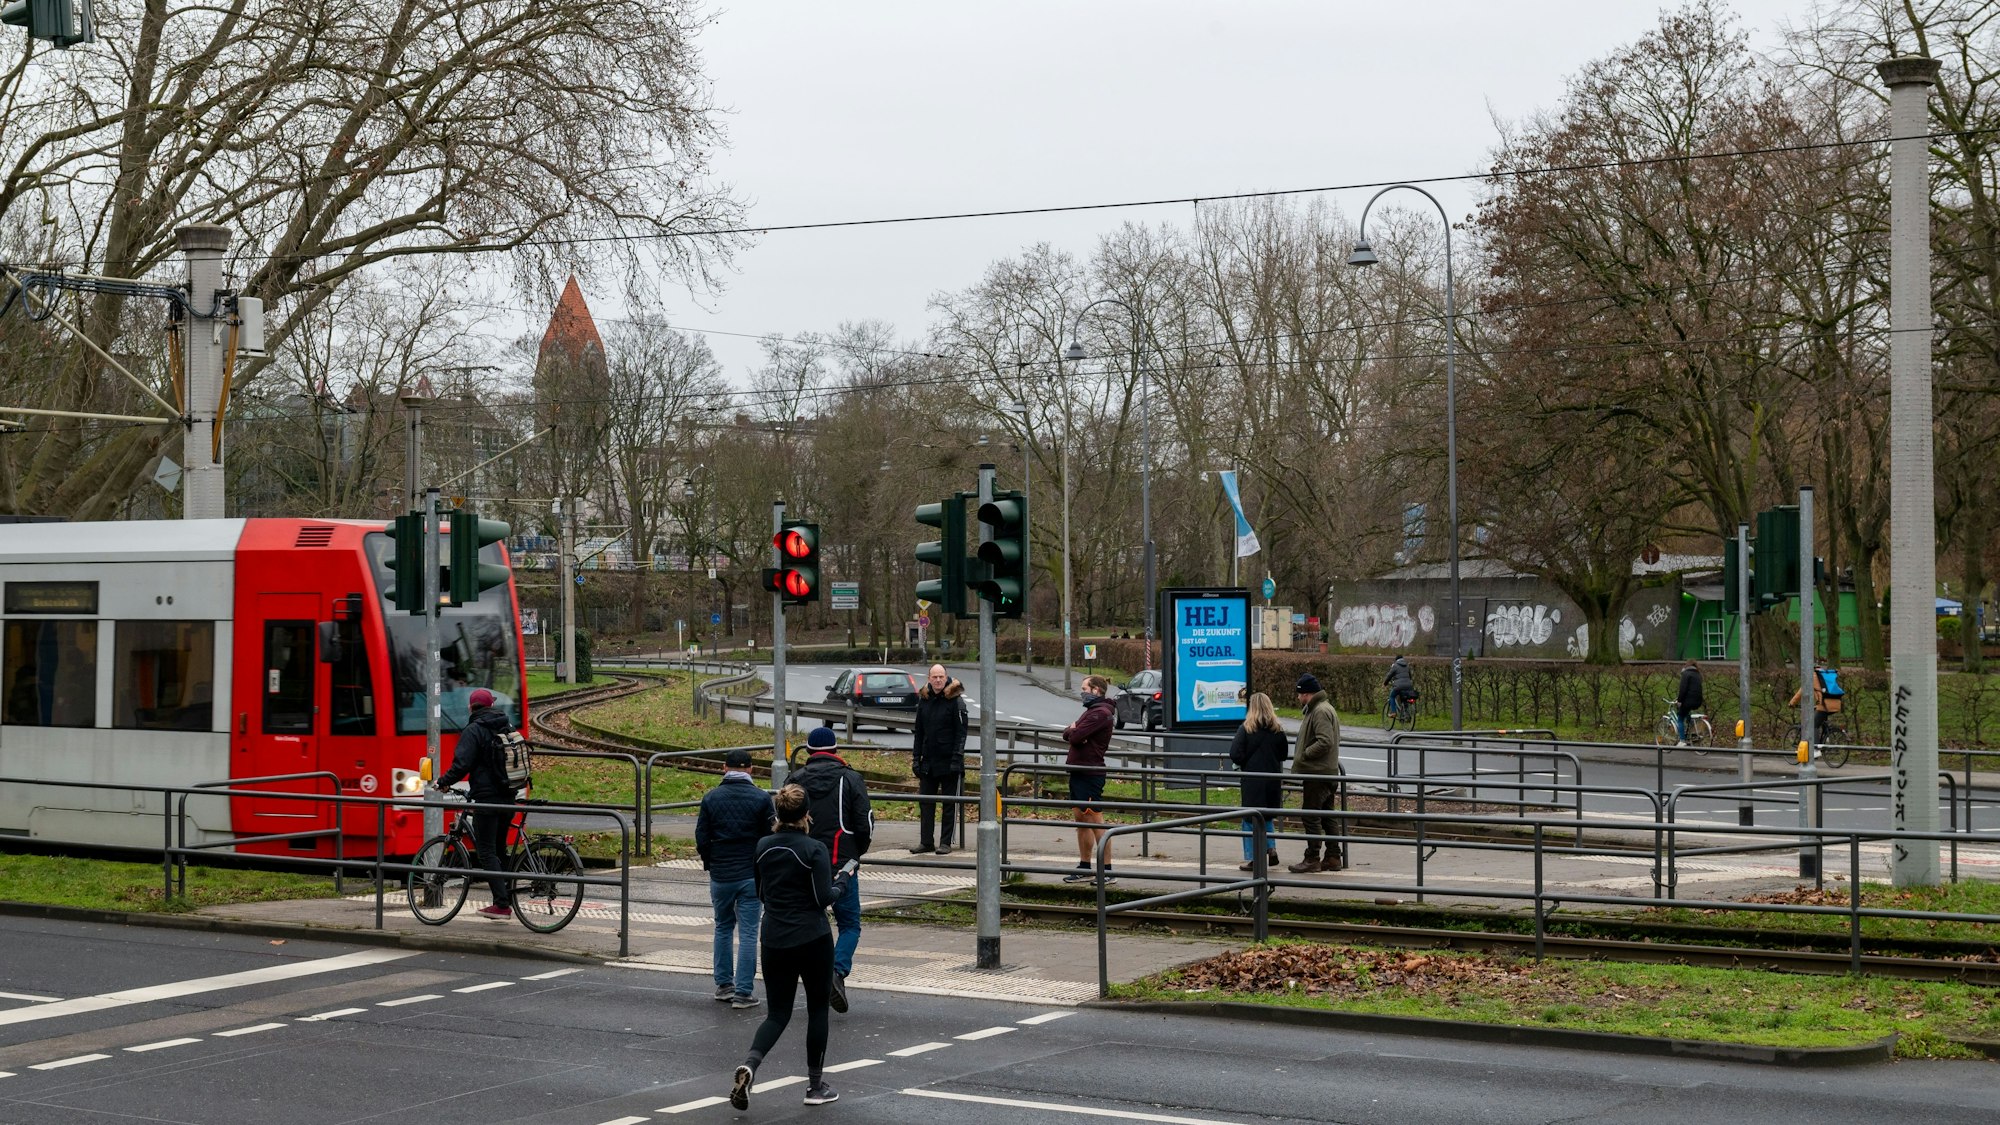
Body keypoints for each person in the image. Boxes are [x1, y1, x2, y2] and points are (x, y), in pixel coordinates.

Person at [731, 784, 855, 1110]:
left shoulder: (762, 846)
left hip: (774, 938)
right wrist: (843, 879)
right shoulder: (814, 849)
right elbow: (823, 898)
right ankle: (815, 1086)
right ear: (806, 814)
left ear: (779, 813)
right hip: (812, 938)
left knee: (777, 1014)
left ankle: (750, 1065)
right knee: (817, 1009)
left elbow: (761, 892)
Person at [792, 723, 872, 1015]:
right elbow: (865, 823)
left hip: (803, 863)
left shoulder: (796, 779)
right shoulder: (850, 779)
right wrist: (856, 854)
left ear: (808, 751)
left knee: (810, 921)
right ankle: (836, 972)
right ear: (836, 750)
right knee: (849, 924)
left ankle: (815, 976)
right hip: (842, 863)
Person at [696, 748, 775, 1010]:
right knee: (749, 932)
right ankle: (743, 992)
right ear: (750, 769)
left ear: (724, 768)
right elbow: (769, 838)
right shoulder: (762, 798)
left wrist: (711, 863)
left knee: (722, 926)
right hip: (751, 874)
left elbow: (701, 837)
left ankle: (724, 986)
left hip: (721, 873)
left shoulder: (711, 798)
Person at [434, 687, 518, 918]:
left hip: (487, 798)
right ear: (491, 705)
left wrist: (444, 781)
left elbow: (462, 764)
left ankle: (502, 904)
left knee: (486, 851)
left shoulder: (474, 730)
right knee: (499, 849)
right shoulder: (506, 725)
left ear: (471, 707)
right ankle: (507, 894)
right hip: (508, 796)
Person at [1061, 674, 1116, 883]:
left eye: (1085, 688)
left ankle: (1107, 870)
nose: (1082, 692)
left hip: (1090, 772)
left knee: (1095, 820)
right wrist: (1072, 731)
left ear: (1096, 690)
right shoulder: (1091, 711)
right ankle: (1084, 867)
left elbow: (1074, 736)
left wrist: (1073, 730)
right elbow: (1069, 734)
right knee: (1081, 819)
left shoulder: (1100, 713)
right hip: (1079, 771)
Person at [910, 664, 968, 855]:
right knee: (926, 802)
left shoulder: (956, 701)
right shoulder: (924, 700)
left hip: (950, 761)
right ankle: (926, 841)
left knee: (949, 804)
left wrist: (956, 759)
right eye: (934, 677)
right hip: (928, 761)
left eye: (941, 677)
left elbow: (961, 733)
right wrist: (916, 758)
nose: (937, 680)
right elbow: (919, 732)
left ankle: (945, 843)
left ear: (946, 677)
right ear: (929, 678)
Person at [1229, 692, 1288, 871]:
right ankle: (1271, 847)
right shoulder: (1278, 730)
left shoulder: (1246, 729)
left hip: (1252, 780)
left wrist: (1245, 760)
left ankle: (1254, 859)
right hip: (1272, 780)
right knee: (1266, 815)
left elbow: (1235, 754)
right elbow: (1283, 754)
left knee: (1250, 818)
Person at [1289, 674, 1342, 874]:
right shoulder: (1324, 708)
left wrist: (1305, 754)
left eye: (1299, 693)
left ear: (1307, 693)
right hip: (1326, 771)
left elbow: (1325, 741)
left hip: (1317, 772)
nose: (1298, 697)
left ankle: (1312, 858)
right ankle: (1333, 857)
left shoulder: (1319, 711)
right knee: (1327, 816)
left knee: (1311, 815)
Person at [1788, 665, 1845, 747]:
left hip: (1824, 706)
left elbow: (1801, 692)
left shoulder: (1812, 678)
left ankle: (1815, 748)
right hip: (1835, 704)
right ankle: (1826, 739)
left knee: (1813, 725)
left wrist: (1792, 703)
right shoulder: (1826, 676)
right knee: (1821, 720)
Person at [1674, 659, 1704, 746]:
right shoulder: (1698, 674)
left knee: (1680, 718)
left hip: (1688, 701)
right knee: (1688, 715)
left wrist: (1679, 701)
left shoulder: (1686, 674)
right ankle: (1693, 733)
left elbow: (1683, 689)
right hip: (1698, 700)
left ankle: (1682, 741)